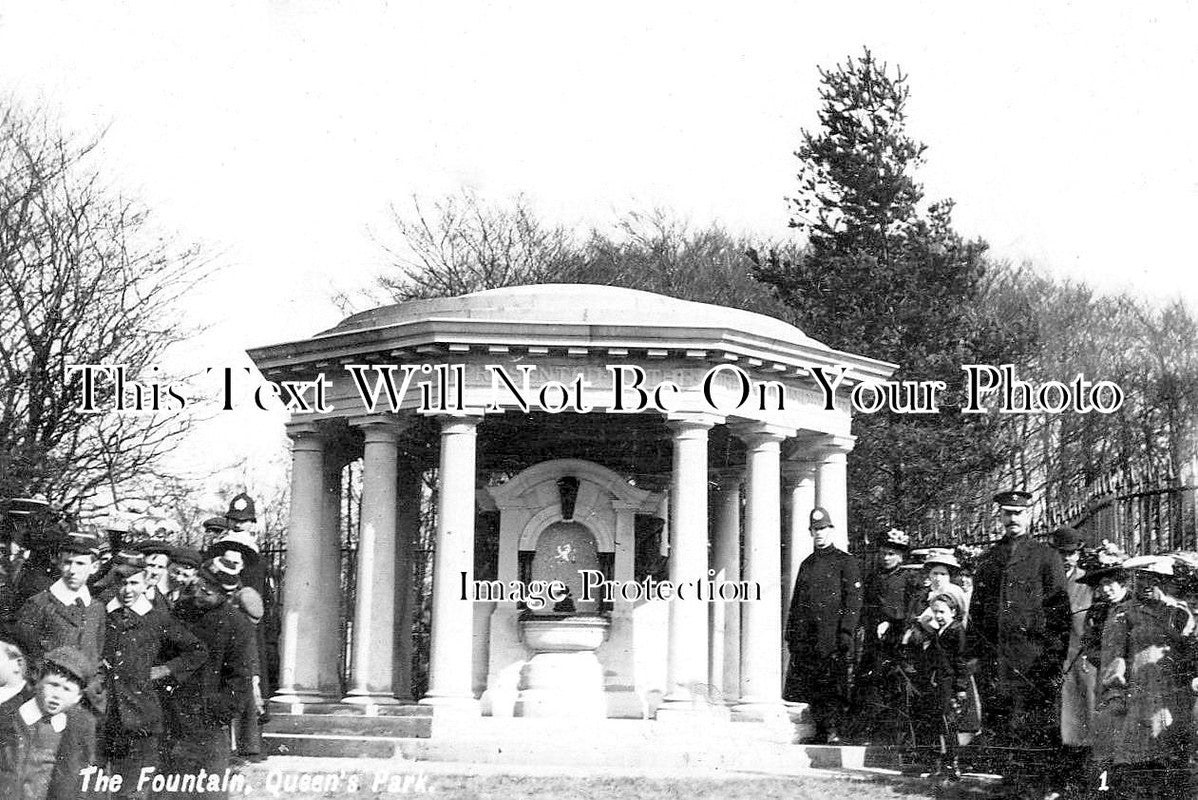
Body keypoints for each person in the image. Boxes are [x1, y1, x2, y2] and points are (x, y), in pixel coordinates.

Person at [100, 552, 207, 800]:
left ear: (147, 582)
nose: (127, 589)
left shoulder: (157, 617)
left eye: (134, 582)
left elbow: (197, 650)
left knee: (134, 791)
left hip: (141, 716)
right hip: (103, 715)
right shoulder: (100, 611)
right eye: (121, 582)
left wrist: (164, 670)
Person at [968, 491, 1070, 747]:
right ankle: (1006, 781)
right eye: (1008, 513)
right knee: (998, 720)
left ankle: (1033, 783)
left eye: (1019, 513)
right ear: (1000, 517)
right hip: (995, 656)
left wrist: (1053, 656)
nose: (1013, 518)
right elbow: (976, 610)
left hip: (1032, 658)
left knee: (1033, 722)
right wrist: (972, 653)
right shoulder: (989, 559)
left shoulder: (1046, 556)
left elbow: (1059, 610)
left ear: (1030, 515)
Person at [1099, 556, 1195, 800]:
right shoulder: (1124, 614)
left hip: (1176, 699)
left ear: (1167, 581)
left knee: (1176, 765)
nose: (1148, 584)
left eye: (1156, 579)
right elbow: (1113, 658)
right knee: (1140, 766)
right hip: (1139, 699)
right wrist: (1114, 695)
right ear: (1132, 580)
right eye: (1141, 578)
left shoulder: (1180, 611)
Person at [161, 564, 254, 800]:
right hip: (173, 717)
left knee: (208, 792)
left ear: (225, 595)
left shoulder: (237, 625)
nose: (199, 595)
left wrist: (216, 713)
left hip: (208, 725)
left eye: (208, 592)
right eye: (199, 587)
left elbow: (240, 679)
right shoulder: (181, 610)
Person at [784, 506, 862, 744]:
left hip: (833, 637)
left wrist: (846, 632)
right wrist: (791, 633)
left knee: (834, 685)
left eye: (823, 529)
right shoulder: (806, 564)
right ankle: (819, 729)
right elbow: (797, 601)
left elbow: (853, 601)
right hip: (809, 637)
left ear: (831, 530)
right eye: (815, 529)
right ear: (810, 532)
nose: (819, 533)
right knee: (813, 685)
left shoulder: (845, 562)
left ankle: (834, 731)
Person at [14, 531, 106, 718]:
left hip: (84, 704)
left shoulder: (97, 608)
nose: (72, 570)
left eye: (80, 563)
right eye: (67, 562)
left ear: (94, 567)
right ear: (58, 563)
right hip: (45, 702)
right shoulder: (39, 604)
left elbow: (96, 655)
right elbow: (22, 656)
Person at [0, 645, 97, 800]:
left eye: (67, 689)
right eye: (53, 685)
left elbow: (77, 781)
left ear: (77, 697)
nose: (57, 695)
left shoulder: (75, 729)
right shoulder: (8, 715)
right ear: (38, 681)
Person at [854, 528, 921, 743]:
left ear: (901, 556)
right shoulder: (872, 577)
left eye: (891, 553)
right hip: (874, 639)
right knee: (870, 683)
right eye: (883, 552)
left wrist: (897, 625)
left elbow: (912, 609)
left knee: (894, 684)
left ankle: (893, 736)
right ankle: (869, 732)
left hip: (896, 638)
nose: (885, 557)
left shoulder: (909, 578)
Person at [908, 593, 974, 785]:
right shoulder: (940, 631)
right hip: (939, 684)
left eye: (942, 612)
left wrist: (961, 687)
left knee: (949, 725)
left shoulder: (956, 630)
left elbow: (961, 661)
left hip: (951, 685)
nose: (938, 616)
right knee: (940, 723)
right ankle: (942, 763)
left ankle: (953, 765)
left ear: (953, 611)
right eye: (935, 612)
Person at [1050, 526, 1097, 796]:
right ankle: (1057, 783)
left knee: (1080, 723)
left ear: (1079, 554)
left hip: (1079, 663)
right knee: (1053, 725)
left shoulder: (1086, 583)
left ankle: (1078, 785)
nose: (1066, 558)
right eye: (1061, 553)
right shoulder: (1045, 580)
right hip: (1051, 663)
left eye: (1072, 553)